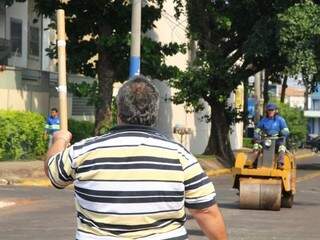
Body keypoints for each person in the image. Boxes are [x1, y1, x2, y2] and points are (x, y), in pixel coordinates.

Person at [44, 76, 228, 240]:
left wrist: (59, 140)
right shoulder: (180, 156)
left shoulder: (83, 150)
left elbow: (54, 173)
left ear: (118, 111)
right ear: (154, 113)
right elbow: (205, 211)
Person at [253, 103, 290, 169]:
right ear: (266, 111)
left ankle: (280, 163)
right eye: (269, 110)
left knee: (282, 147)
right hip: (266, 139)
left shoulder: (280, 120)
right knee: (257, 146)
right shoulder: (263, 120)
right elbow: (257, 130)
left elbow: (286, 130)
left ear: (275, 111)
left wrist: (282, 133)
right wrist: (256, 136)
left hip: (277, 140)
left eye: (272, 110)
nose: (270, 111)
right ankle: (254, 162)